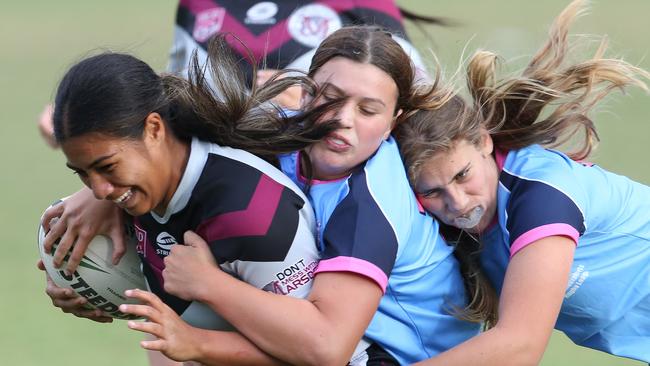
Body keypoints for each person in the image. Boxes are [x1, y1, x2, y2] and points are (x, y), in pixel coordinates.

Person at [43, 26, 491, 365]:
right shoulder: (279, 126)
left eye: (368, 109)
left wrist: (208, 287)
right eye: (328, 96)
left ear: (394, 120)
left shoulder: (369, 204)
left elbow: (328, 348)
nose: (341, 119)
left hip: (411, 356)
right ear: (304, 89)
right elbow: (156, 115)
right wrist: (102, 194)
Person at [393, 1, 650, 364]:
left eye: (462, 175)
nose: (458, 203)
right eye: (432, 192)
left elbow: (519, 346)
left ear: (484, 141)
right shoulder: (451, 227)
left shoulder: (541, 196)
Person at [38, 0, 440, 148]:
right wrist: (109, 117)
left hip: (321, 222)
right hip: (216, 216)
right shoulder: (197, 7)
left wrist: (299, 102)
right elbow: (174, 103)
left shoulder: (362, 5)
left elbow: (424, 119)